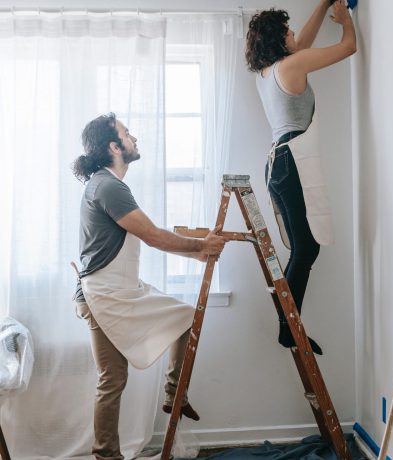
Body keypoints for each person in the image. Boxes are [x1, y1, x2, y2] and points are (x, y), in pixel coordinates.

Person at [71, 113, 227, 460]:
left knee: (185, 316)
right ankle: (106, 455)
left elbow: (148, 237)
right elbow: (153, 235)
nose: (134, 139)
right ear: (114, 146)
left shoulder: (106, 184)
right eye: (127, 134)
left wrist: (197, 254)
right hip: (104, 294)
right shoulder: (108, 186)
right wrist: (201, 247)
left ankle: (174, 393)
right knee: (112, 380)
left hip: (119, 288)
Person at [246, 0, 357, 356]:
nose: (294, 34)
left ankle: (288, 325)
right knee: (307, 248)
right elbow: (349, 48)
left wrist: (325, 4)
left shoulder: (268, 72)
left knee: (302, 247)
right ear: (280, 40)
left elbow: (302, 45)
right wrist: (345, 20)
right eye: (288, 31)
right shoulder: (291, 65)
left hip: (277, 162)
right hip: (291, 160)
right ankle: (288, 326)